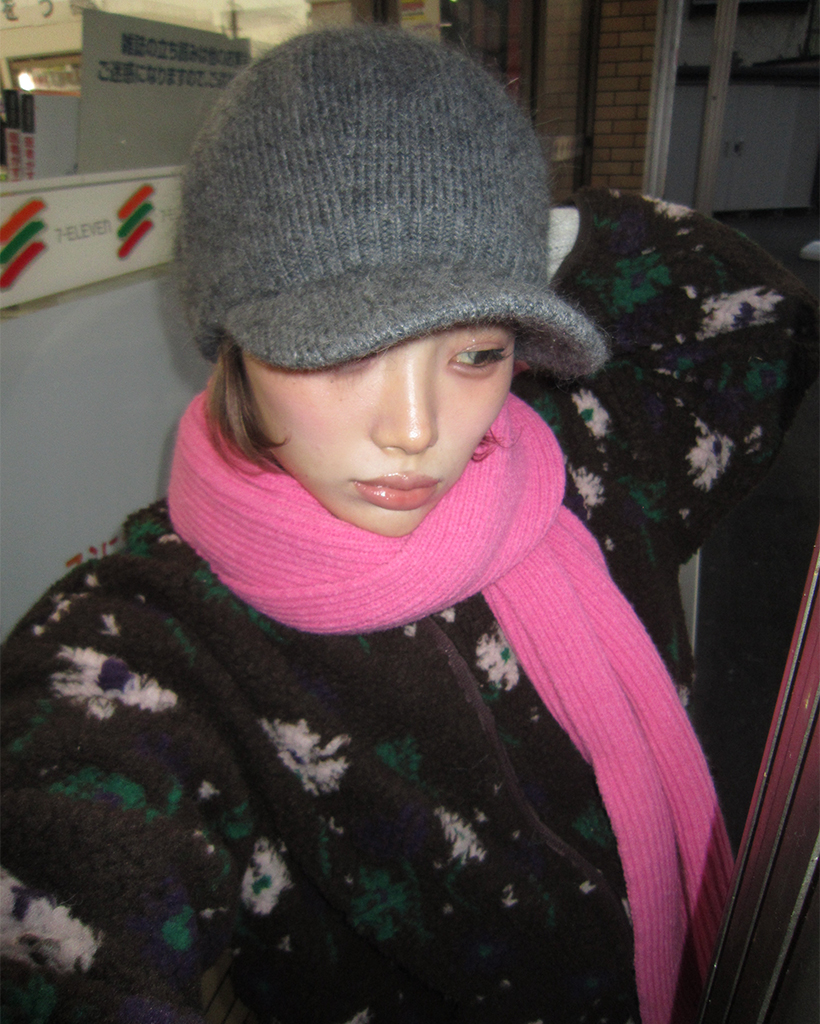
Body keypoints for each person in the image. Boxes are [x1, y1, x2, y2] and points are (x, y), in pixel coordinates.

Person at [2, 26, 817, 1024]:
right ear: (234, 336)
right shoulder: (145, 644)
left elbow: (752, 313)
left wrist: (510, 231)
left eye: (475, 353)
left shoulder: (580, 465)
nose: (418, 431)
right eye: (340, 351)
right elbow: (56, 907)